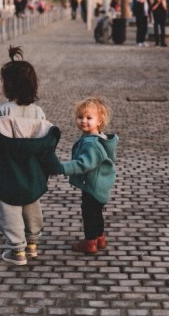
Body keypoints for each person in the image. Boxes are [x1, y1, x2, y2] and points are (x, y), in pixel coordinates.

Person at [0, 46, 62, 266]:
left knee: (9, 208)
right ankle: (32, 243)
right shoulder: (38, 112)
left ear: (8, 86)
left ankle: (16, 250)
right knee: (31, 204)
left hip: (8, 169)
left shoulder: (3, 111)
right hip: (32, 169)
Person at [59, 97, 118, 254]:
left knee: (89, 214)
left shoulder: (91, 143)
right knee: (96, 213)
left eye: (89, 118)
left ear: (99, 121)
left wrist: (62, 167)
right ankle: (100, 238)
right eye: (80, 117)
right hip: (99, 184)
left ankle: (90, 242)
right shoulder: (96, 138)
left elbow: (83, 164)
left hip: (93, 186)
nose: (83, 121)